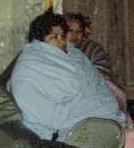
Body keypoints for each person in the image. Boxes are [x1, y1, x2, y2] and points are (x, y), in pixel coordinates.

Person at [9, 11, 126, 141]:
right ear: (39, 40)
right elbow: (41, 110)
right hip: (67, 127)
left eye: (63, 36)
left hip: (101, 115)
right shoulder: (30, 65)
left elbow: (97, 83)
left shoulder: (76, 55)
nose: (61, 41)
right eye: (54, 37)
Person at [64, 12, 112, 81]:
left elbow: (103, 76)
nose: (74, 35)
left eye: (79, 32)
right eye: (70, 31)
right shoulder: (59, 49)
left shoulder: (95, 49)